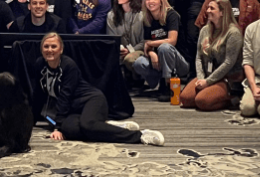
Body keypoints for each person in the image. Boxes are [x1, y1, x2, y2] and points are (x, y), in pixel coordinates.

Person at [33, 33, 164, 146]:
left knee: (88, 126)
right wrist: (32, 121)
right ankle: (107, 127)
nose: (49, 50)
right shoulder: (40, 64)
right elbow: (38, 94)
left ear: (61, 49)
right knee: (69, 130)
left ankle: (139, 136)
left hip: (92, 100)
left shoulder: (68, 65)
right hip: (74, 110)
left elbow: (65, 96)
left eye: (53, 46)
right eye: (46, 46)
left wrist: (56, 127)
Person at [132, 0, 189, 101]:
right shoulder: (147, 19)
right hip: (159, 61)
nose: (151, 1)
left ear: (161, 1)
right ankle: (157, 83)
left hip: (179, 63)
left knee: (165, 47)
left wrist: (152, 44)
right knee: (138, 63)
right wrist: (152, 53)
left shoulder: (171, 15)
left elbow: (172, 41)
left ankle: (167, 85)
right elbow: (146, 45)